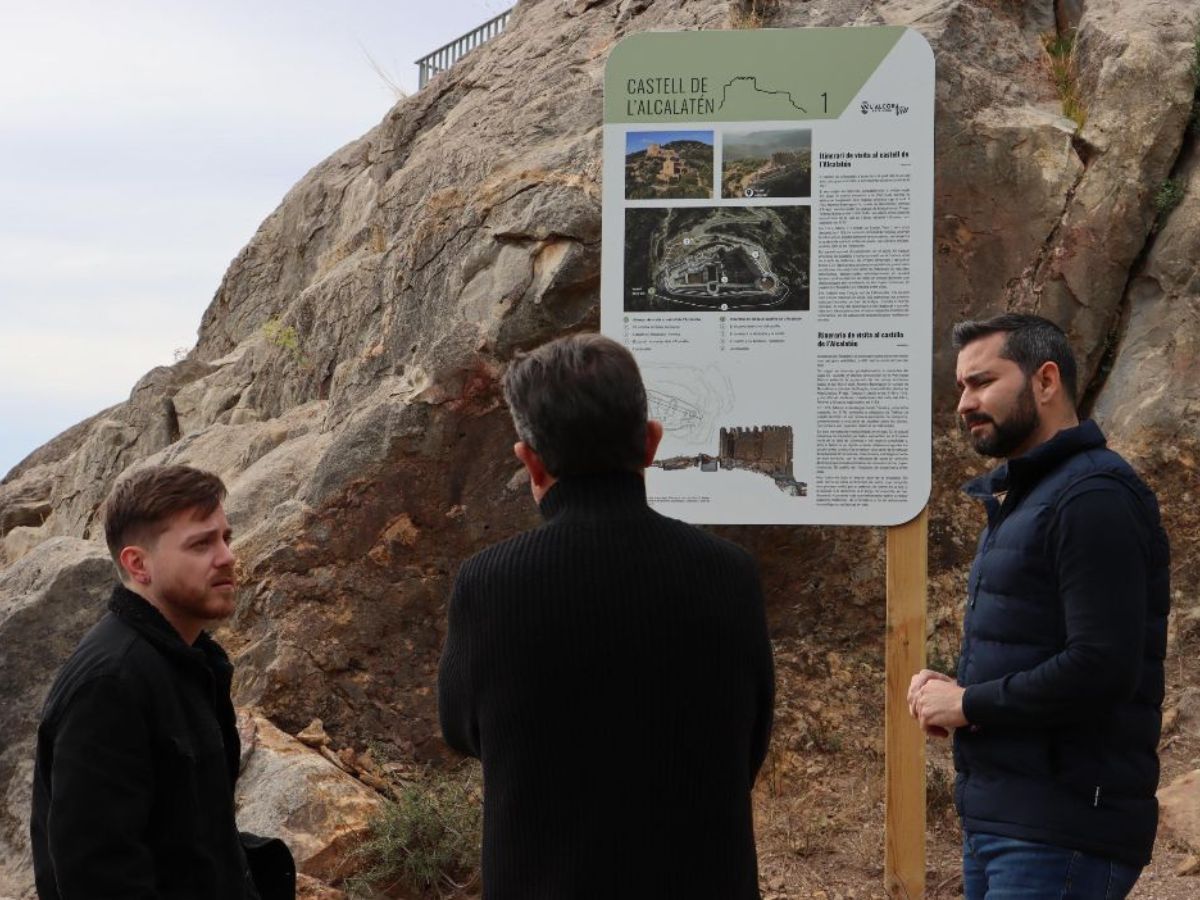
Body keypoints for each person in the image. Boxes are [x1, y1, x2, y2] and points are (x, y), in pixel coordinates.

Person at [438, 333, 775, 900]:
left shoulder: (489, 584)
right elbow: (751, 739)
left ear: (531, 461)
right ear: (650, 443)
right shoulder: (730, 574)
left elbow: (461, 731)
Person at [909, 314, 1170, 898]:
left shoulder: (1093, 497)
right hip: (1007, 820)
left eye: (981, 383)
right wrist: (956, 694)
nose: (964, 404)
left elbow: (1102, 667)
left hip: (1061, 828)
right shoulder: (1032, 497)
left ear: (1045, 380)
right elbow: (1040, 647)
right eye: (961, 389)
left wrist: (970, 702)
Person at [30, 464, 294, 899]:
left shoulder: (192, 660)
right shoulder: (110, 684)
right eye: (201, 544)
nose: (227, 556)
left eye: (225, 537)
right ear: (138, 563)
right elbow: (98, 878)